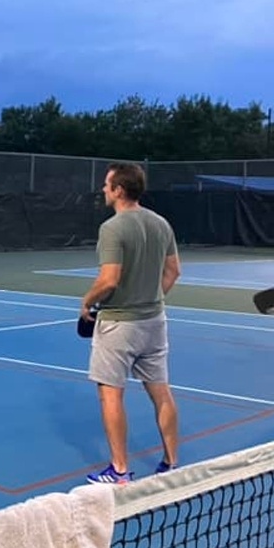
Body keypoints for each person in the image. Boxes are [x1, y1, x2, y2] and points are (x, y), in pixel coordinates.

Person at [82, 162, 182, 485]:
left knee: (111, 395)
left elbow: (109, 280)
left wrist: (86, 301)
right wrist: (151, 298)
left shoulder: (112, 228)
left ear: (119, 190)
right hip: (155, 322)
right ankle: (171, 461)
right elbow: (173, 271)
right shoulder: (162, 224)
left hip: (118, 326)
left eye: (107, 185)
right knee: (162, 393)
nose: (103, 190)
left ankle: (120, 470)